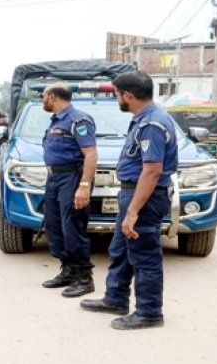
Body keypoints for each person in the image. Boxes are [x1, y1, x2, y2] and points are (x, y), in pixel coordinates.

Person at [80, 71, 178, 329]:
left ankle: (149, 312)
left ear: (128, 95)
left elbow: (153, 170)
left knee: (144, 255)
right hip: (133, 192)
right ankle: (116, 298)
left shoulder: (151, 125)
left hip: (144, 195)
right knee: (121, 249)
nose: (117, 100)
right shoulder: (144, 119)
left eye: (116, 95)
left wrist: (134, 210)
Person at [29, 83, 100, 297]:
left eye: (43, 96)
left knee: (72, 227)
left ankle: (84, 277)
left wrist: (84, 186)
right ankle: (68, 270)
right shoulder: (56, 121)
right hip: (55, 178)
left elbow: (91, 154)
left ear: (52, 97)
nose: (43, 99)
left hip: (72, 177)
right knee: (54, 226)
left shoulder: (78, 120)